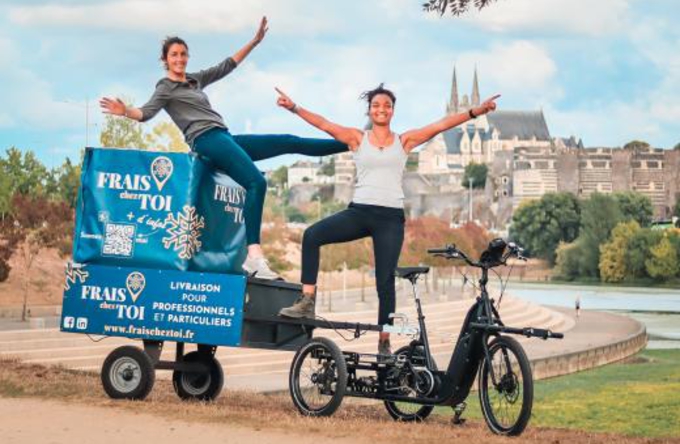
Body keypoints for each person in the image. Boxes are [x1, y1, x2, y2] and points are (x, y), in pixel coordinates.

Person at [99, 17, 347, 280]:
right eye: (174, 55)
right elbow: (146, 113)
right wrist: (125, 111)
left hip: (223, 137)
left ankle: (349, 144)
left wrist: (254, 42)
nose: (180, 59)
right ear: (165, 60)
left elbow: (227, 65)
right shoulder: (165, 87)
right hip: (205, 140)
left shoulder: (194, 80)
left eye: (183, 54)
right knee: (256, 182)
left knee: (288, 141)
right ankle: (254, 257)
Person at [276, 83, 499, 355]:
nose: (381, 109)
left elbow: (441, 125)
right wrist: (294, 107)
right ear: (369, 110)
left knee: (385, 281)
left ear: (392, 111)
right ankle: (307, 301)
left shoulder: (404, 141)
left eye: (387, 106)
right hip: (360, 212)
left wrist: (477, 111)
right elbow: (323, 124)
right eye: (376, 105)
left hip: (390, 219)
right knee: (312, 235)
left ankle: (385, 341)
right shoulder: (357, 138)